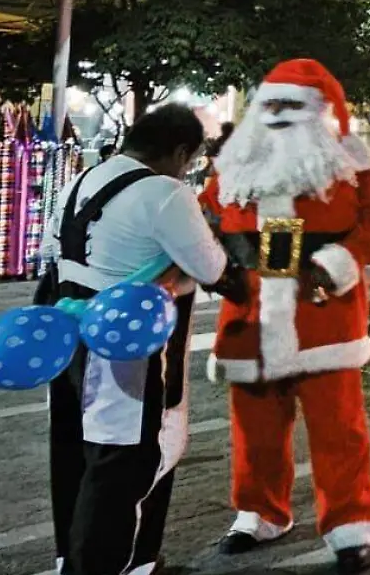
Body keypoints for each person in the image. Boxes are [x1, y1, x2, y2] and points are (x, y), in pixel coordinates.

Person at [202, 60, 370, 574]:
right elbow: (202, 218)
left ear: (323, 111)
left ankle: (351, 523)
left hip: (323, 317)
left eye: (292, 105)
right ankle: (260, 511)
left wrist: (336, 262)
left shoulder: (355, 164)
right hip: (249, 317)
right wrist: (209, 262)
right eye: (270, 104)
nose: (277, 115)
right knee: (254, 429)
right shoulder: (234, 163)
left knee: (339, 429)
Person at [40, 105, 243, 575]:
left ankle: (77, 557)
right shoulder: (165, 193)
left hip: (65, 337)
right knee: (122, 462)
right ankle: (100, 566)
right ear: (179, 152)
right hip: (120, 346)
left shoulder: (79, 182)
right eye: (189, 161)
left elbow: (54, 255)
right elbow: (212, 269)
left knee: (75, 452)